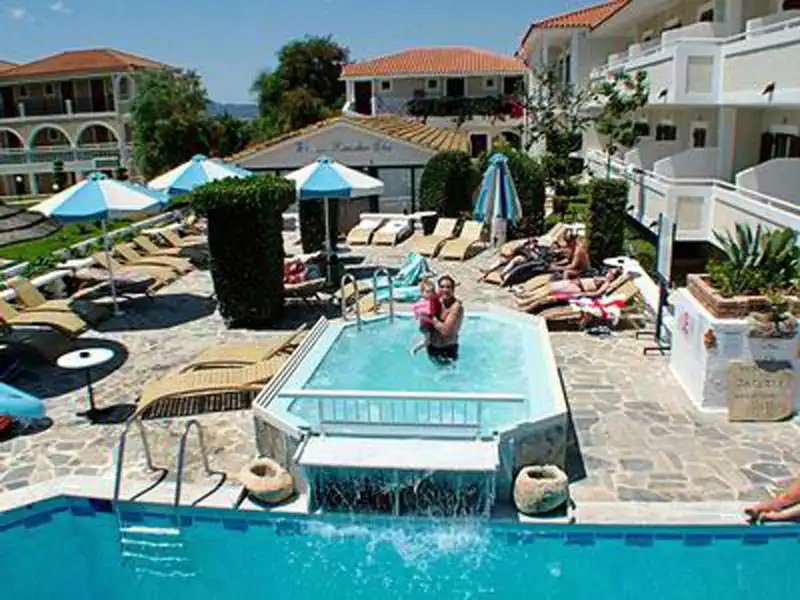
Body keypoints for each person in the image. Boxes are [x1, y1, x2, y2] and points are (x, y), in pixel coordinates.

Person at [516, 268, 623, 312]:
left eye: (611, 273)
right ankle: (527, 296)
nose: (609, 272)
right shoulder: (604, 278)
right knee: (548, 286)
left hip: (577, 288)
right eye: (610, 271)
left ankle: (526, 304)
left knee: (550, 291)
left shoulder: (607, 283)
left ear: (613, 277)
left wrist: (582, 294)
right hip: (575, 283)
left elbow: (597, 293)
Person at [423, 274, 464, 363]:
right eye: (442, 287)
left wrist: (430, 317)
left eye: (448, 287)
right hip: (432, 347)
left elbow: (445, 330)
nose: (445, 289)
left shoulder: (456, 307)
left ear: (453, 289)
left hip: (447, 351)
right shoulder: (437, 301)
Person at [410, 278, 441, 355]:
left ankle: (432, 350)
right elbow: (422, 317)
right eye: (427, 292)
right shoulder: (421, 304)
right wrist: (433, 321)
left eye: (432, 291)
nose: (430, 293)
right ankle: (415, 349)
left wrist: (453, 285)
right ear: (422, 292)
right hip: (425, 326)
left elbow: (441, 292)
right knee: (427, 341)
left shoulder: (433, 298)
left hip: (431, 324)